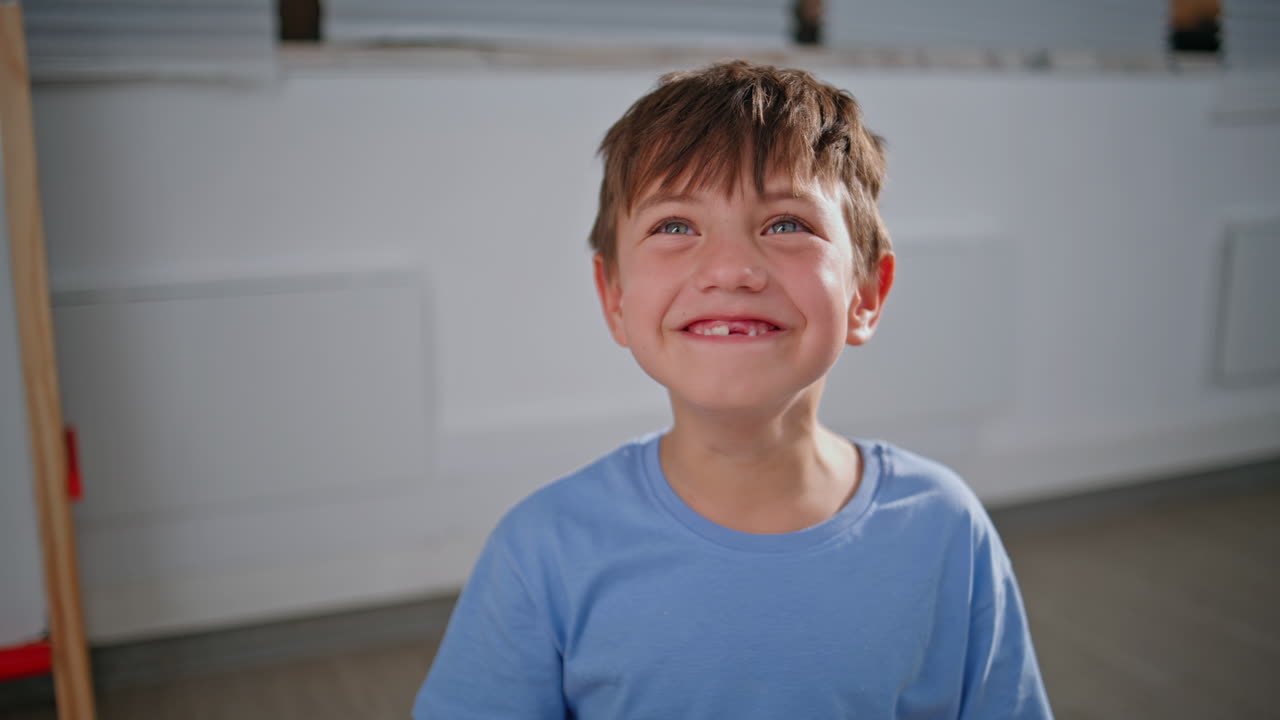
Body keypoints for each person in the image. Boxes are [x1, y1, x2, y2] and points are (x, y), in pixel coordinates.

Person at [412, 60, 1053, 719]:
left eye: (785, 225)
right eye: (675, 227)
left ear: (866, 293)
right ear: (615, 298)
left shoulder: (944, 528)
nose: (730, 269)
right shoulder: (541, 550)